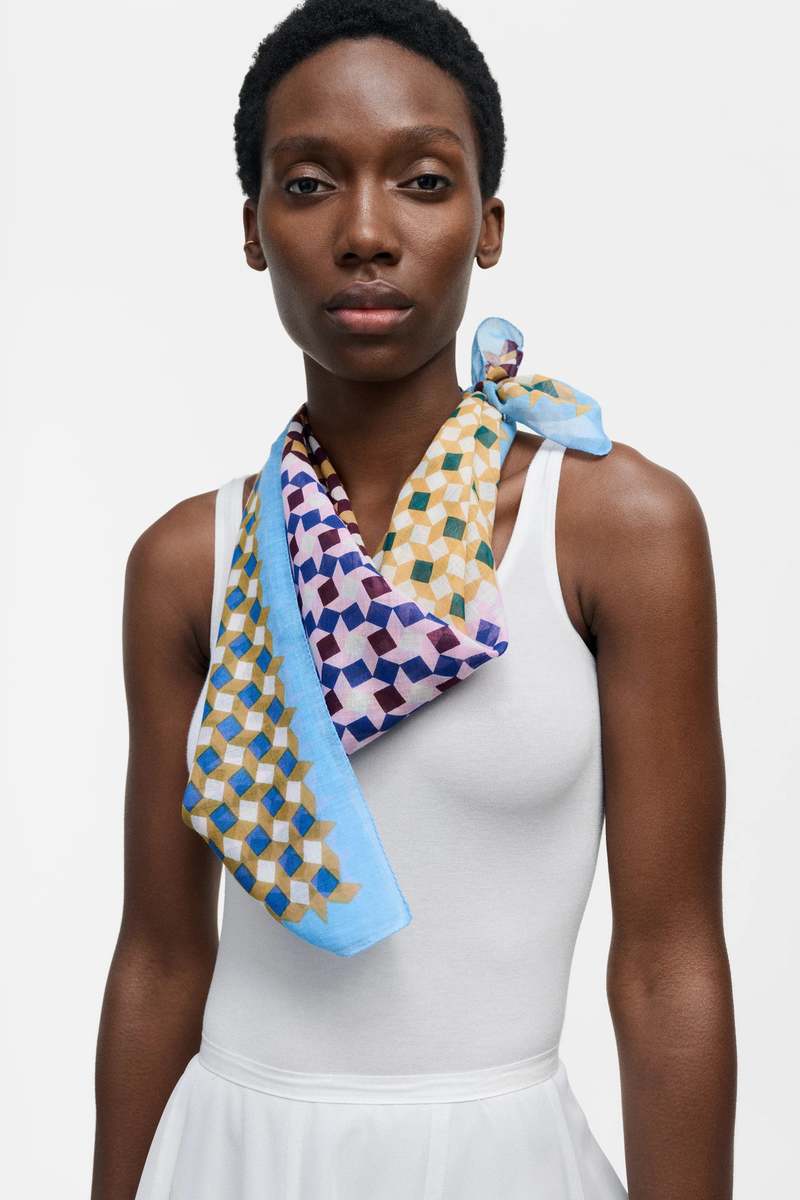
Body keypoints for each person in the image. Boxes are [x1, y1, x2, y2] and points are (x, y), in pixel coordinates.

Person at [91, 2, 737, 1196]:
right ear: (252, 228)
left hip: (499, 1161)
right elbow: (160, 960)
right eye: (307, 185)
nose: (365, 233)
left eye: (424, 182)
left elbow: (667, 965)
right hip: (230, 1156)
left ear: (487, 226)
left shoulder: (616, 529)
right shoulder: (187, 562)